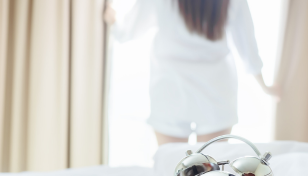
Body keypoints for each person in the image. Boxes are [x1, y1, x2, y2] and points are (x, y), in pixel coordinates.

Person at [104, 0, 279, 146]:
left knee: (173, 173)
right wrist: (265, 86)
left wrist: (113, 19)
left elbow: (128, 30)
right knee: (211, 175)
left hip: (171, 88)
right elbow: (248, 47)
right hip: (216, 89)